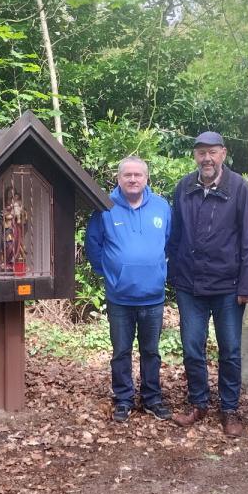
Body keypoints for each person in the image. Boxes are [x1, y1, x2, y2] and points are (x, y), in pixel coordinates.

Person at [166, 131, 248, 437]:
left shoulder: (239, 189)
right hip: (189, 286)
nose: (207, 158)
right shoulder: (185, 187)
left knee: (230, 350)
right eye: (201, 152)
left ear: (224, 154)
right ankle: (198, 403)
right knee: (192, 347)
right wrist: (175, 273)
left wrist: (246, 285)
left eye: (213, 152)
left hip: (228, 287)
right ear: (195, 156)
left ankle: (229, 410)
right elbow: (175, 235)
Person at [86, 156, 173, 423]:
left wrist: (156, 271)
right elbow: (93, 246)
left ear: (146, 178)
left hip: (153, 297)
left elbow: (169, 243)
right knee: (121, 351)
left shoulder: (161, 207)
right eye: (128, 175)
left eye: (138, 175)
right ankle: (123, 399)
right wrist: (111, 274)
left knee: (151, 351)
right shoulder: (105, 208)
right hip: (120, 297)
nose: (133, 179)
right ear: (119, 178)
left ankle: (152, 399)